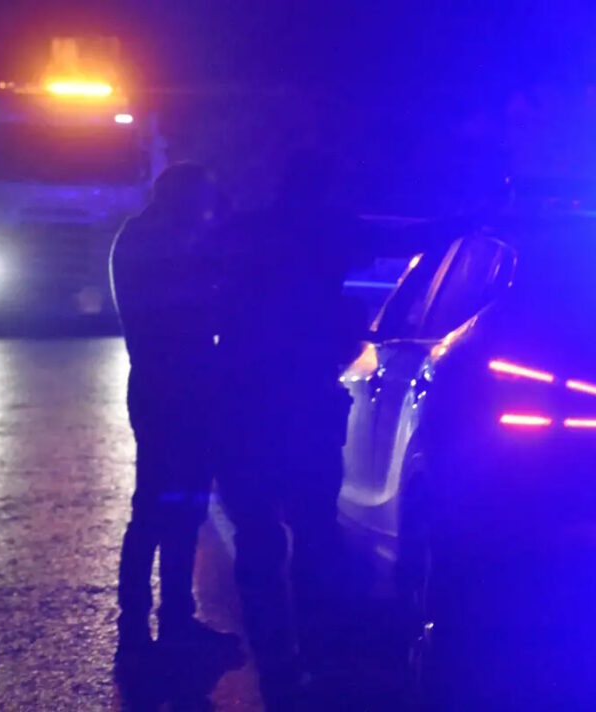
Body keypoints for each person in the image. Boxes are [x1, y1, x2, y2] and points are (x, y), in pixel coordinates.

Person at [216, 149, 370, 707]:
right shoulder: (332, 232)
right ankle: (317, 655)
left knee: (258, 538)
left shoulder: (245, 233)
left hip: (245, 408)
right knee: (314, 532)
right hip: (306, 405)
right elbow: (398, 242)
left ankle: (274, 660)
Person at [110, 162, 239, 670]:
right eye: (203, 201)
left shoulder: (142, 237)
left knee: (168, 507)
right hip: (175, 391)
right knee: (170, 508)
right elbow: (201, 304)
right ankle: (158, 626)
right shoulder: (161, 244)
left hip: (161, 388)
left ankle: (153, 625)